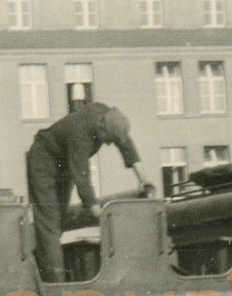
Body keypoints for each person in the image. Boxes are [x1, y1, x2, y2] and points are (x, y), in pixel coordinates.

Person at [26, 103, 153, 282]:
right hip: (43, 160)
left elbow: (125, 143)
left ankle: (45, 270)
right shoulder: (81, 135)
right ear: (101, 129)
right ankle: (57, 289)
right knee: (50, 225)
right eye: (107, 139)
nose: (108, 144)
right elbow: (82, 179)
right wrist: (99, 214)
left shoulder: (108, 116)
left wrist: (143, 179)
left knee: (59, 222)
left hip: (63, 164)